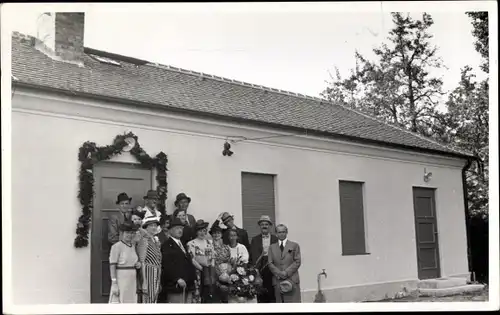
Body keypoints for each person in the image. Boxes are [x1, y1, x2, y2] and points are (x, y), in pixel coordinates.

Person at [160, 218, 197, 303]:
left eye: (181, 228)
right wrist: (177, 278)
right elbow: (167, 265)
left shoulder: (183, 244)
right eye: (177, 228)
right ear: (170, 231)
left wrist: (193, 278)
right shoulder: (166, 245)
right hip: (175, 285)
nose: (180, 230)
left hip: (188, 284)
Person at [109, 222, 142, 303]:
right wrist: (114, 284)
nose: (129, 235)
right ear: (122, 233)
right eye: (127, 232)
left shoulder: (134, 246)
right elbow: (112, 266)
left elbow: (135, 260)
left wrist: (138, 264)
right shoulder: (116, 246)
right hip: (121, 280)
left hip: (132, 280)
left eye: (131, 233)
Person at [267, 224, 302, 303]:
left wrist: (286, 273)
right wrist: (279, 273)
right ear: (276, 234)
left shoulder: (294, 245)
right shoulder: (272, 247)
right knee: (280, 307)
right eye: (279, 232)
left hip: (292, 280)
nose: (281, 234)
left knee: (293, 306)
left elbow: (297, 261)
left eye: (283, 232)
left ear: (286, 232)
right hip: (278, 281)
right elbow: (270, 263)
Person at [250, 215, 278, 303]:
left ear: (270, 226)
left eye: (266, 224)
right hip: (260, 268)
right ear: (260, 226)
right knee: (260, 293)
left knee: (272, 293)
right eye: (262, 224)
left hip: (272, 268)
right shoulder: (255, 239)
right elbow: (252, 255)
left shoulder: (275, 239)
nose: (264, 226)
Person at [187, 220, 217, 303]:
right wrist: (201, 268)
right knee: (198, 292)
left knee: (209, 292)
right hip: (197, 271)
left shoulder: (209, 242)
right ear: (196, 232)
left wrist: (212, 267)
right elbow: (192, 259)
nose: (202, 233)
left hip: (209, 271)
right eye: (200, 231)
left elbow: (213, 257)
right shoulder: (191, 243)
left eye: (204, 231)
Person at [137, 216, 162, 303]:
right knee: (148, 300)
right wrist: (144, 282)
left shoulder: (155, 241)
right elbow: (142, 261)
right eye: (151, 225)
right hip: (148, 272)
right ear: (146, 227)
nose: (154, 227)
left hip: (156, 272)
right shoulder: (144, 240)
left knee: (154, 299)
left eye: (155, 225)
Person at [210, 224, 231, 303]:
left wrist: (226, 274)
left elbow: (228, 261)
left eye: (218, 233)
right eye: (214, 233)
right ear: (212, 235)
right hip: (213, 274)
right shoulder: (209, 246)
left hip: (225, 275)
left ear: (221, 234)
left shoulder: (226, 247)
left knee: (225, 296)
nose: (216, 235)